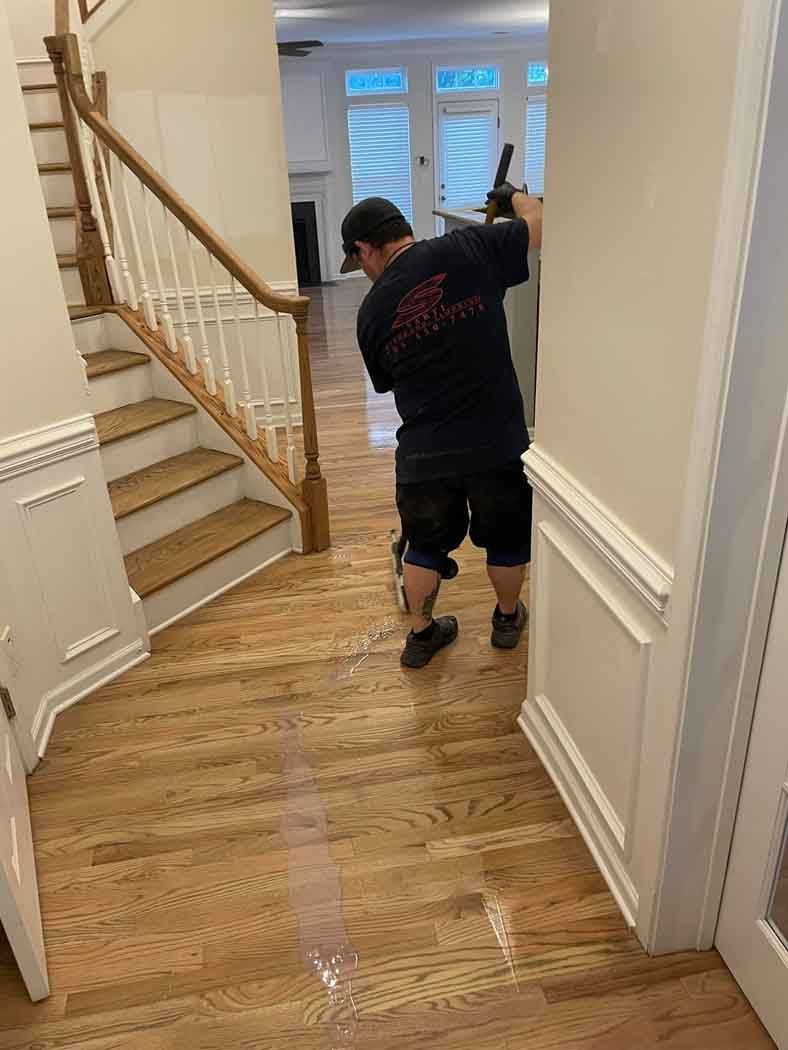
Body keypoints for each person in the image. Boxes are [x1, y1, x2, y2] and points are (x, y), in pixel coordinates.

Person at [341, 184, 543, 669]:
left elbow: (386, 383)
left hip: (425, 453)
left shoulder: (371, 312)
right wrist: (513, 196)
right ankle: (507, 618)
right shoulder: (472, 246)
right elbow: (540, 221)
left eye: (358, 261)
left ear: (365, 248)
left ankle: (421, 635)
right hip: (498, 441)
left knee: (424, 546)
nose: (364, 272)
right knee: (507, 540)